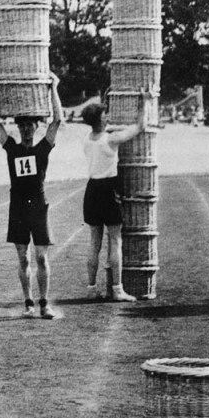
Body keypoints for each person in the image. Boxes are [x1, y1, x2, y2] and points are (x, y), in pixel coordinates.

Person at [0, 72, 63, 319]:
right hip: (18, 207)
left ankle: (44, 303)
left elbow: (57, 121)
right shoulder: (12, 148)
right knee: (23, 258)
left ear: (36, 126)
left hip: (38, 206)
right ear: (18, 127)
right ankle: (28, 302)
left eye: (30, 125)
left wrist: (54, 87)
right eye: (22, 125)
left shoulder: (43, 148)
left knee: (41, 257)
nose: (26, 129)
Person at [80, 93, 149, 303]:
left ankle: (92, 288)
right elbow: (140, 127)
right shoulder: (110, 139)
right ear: (100, 119)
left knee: (94, 242)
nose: (107, 116)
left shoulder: (87, 139)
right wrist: (143, 101)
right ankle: (117, 289)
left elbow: (102, 135)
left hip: (91, 190)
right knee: (115, 240)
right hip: (108, 189)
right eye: (104, 114)